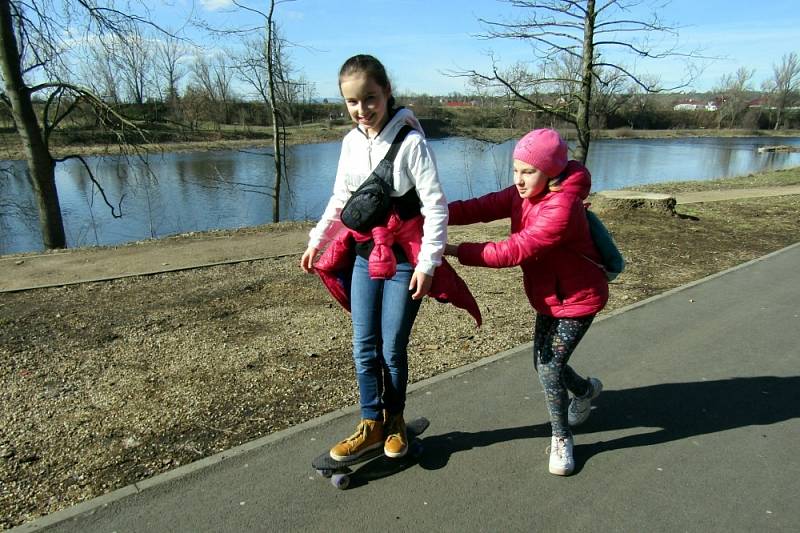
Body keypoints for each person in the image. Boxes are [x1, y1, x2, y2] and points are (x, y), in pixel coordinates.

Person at [300, 54, 479, 462]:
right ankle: (371, 424)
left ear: (387, 93)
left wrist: (428, 264)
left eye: (370, 98)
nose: (361, 110)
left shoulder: (411, 143)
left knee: (392, 347)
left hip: (403, 261)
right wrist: (317, 240)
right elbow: (341, 200)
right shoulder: (349, 143)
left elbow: (436, 208)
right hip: (364, 256)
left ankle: (395, 419)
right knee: (364, 345)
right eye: (351, 102)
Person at [443, 128, 608, 476]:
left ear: (550, 172)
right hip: (548, 297)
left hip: (579, 300)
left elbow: (515, 249)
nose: (518, 179)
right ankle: (586, 390)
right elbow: (482, 205)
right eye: (515, 169)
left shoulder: (561, 207)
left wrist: (458, 251)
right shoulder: (523, 193)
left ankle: (561, 438)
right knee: (545, 365)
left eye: (528, 171)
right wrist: (436, 211)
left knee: (548, 367)